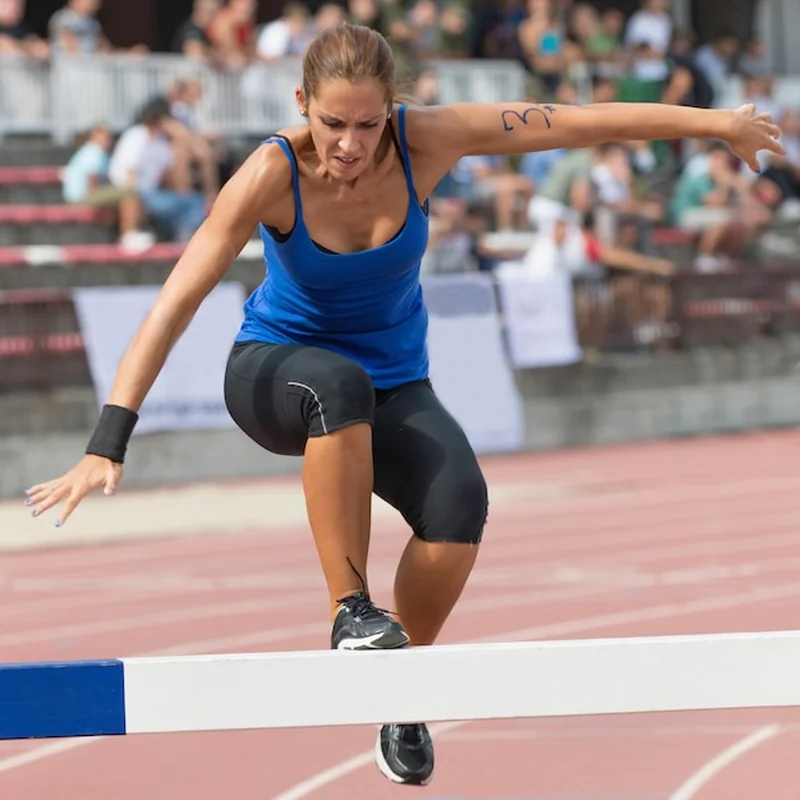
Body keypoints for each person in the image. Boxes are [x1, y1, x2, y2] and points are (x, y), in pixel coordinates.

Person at [24, 22, 782, 788]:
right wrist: (107, 439)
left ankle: (400, 687)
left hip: (393, 384)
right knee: (337, 385)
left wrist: (717, 123)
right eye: (333, 123)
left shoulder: (429, 141)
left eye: (367, 124)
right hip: (272, 374)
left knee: (460, 506)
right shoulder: (270, 172)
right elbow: (174, 302)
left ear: (392, 109)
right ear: (302, 103)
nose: (349, 144)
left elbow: (577, 122)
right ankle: (349, 610)